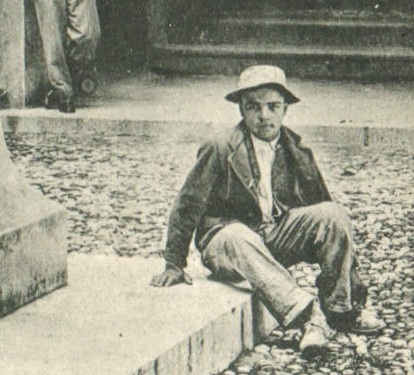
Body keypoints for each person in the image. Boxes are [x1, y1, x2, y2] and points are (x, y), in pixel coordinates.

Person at [151, 64, 385, 357]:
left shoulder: (296, 148)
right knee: (237, 234)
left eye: (273, 106)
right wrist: (174, 261)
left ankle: (342, 310)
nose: (264, 116)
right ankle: (309, 318)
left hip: (273, 234)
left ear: (285, 108)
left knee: (333, 214)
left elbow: (325, 215)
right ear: (241, 110)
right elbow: (188, 203)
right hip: (225, 242)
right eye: (254, 107)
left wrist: (353, 283)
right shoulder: (220, 147)